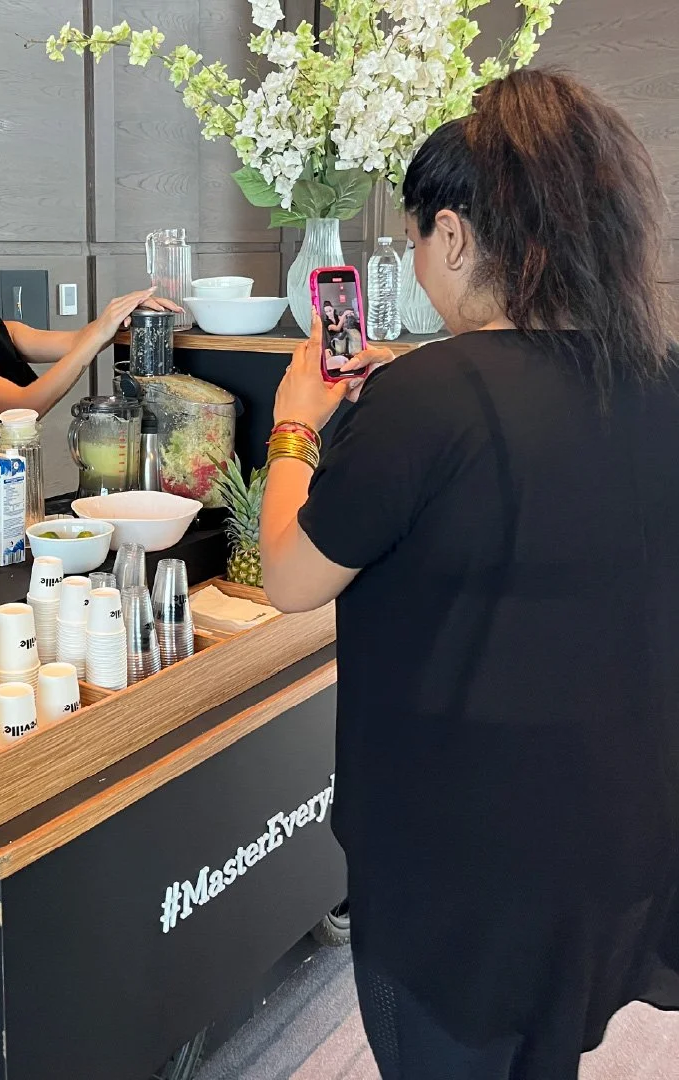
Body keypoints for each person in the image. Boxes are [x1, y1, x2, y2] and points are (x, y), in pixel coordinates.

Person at [260, 69, 679, 1079]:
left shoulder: (423, 399)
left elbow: (289, 576)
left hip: (453, 866)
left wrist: (296, 422)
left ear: (453, 236)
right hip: (611, 837)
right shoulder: (660, 382)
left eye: (413, 238)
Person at [0, 225, 180, 457]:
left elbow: (77, 341)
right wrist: (100, 331)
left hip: (11, 495)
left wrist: (131, 313)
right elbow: (26, 405)